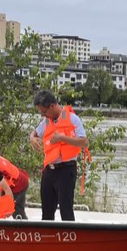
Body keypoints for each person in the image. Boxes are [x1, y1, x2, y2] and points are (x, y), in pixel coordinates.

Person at [30, 91, 88, 221]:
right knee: (46, 212)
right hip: (49, 171)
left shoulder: (73, 119)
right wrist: (32, 138)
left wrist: (63, 138)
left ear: (52, 106)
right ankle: (48, 239)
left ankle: (68, 239)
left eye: (44, 112)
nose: (44, 115)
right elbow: (35, 132)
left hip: (66, 170)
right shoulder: (47, 121)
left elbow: (84, 141)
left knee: (66, 211)